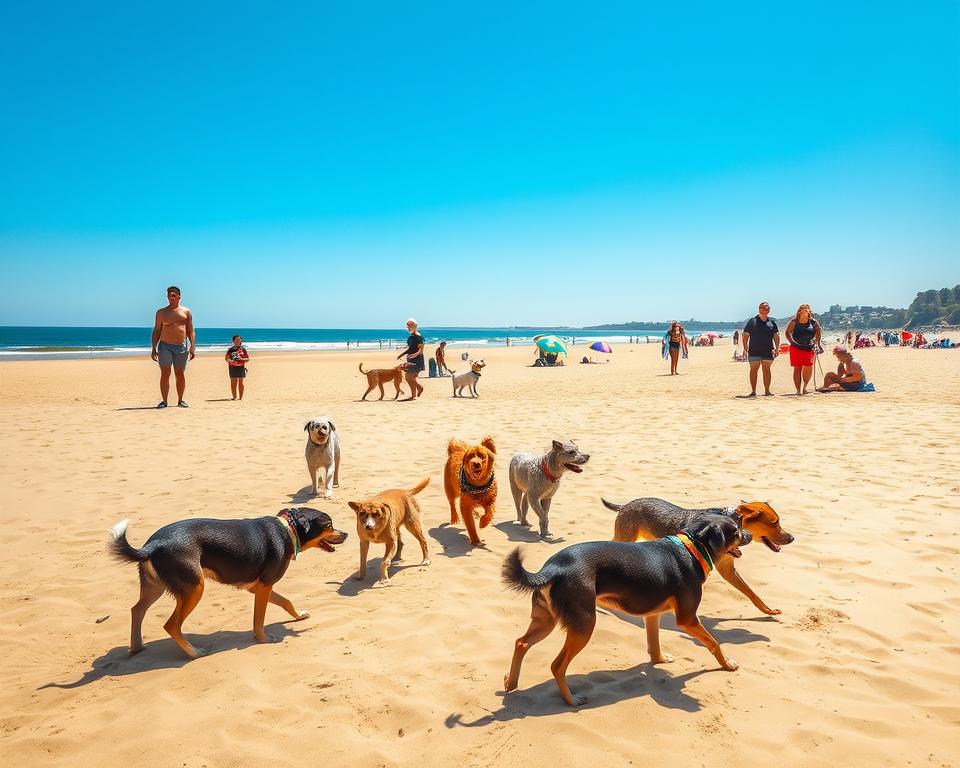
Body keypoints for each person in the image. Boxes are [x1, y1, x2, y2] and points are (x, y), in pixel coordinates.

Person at [150, 286, 195, 408]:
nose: (171, 296)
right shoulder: (161, 312)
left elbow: (191, 331)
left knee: (180, 373)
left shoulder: (186, 312)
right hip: (165, 346)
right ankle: (164, 401)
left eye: (174, 294)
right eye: (169, 294)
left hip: (181, 346)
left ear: (179, 296)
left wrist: (192, 346)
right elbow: (157, 330)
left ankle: (181, 401)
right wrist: (154, 347)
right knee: (165, 373)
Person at [742, 301, 780, 396]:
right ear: (759, 309)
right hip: (754, 350)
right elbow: (745, 335)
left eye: (767, 308)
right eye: (763, 308)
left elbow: (776, 336)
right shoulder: (752, 321)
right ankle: (753, 391)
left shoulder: (772, 322)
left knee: (766, 370)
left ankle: (767, 391)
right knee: (754, 369)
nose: (765, 309)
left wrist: (777, 348)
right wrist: (745, 347)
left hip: (768, 350)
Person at [785, 304, 822, 395]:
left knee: (808, 367)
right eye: (802, 309)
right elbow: (787, 333)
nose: (804, 310)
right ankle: (798, 390)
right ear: (799, 311)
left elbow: (818, 333)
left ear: (809, 311)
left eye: (806, 309)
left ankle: (805, 387)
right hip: (796, 347)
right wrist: (792, 342)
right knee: (797, 368)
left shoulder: (813, 322)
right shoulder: (794, 321)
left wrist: (817, 343)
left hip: (809, 347)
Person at [396, 318, 425, 400]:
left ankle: (413, 395)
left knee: (409, 377)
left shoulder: (419, 337)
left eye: (411, 325)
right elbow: (410, 349)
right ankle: (419, 388)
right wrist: (401, 354)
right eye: (408, 326)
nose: (409, 327)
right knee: (409, 377)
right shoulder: (411, 337)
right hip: (411, 359)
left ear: (415, 326)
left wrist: (414, 355)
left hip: (417, 359)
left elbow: (421, 350)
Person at [224, 335, 250, 400]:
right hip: (232, 367)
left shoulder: (243, 349)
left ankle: (240, 398)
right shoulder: (231, 350)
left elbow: (247, 359)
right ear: (233, 341)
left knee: (241, 382)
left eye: (239, 340)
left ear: (241, 341)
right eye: (236, 340)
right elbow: (226, 359)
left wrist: (241, 360)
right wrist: (232, 361)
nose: (238, 341)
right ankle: (234, 397)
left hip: (241, 367)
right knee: (233, 382)